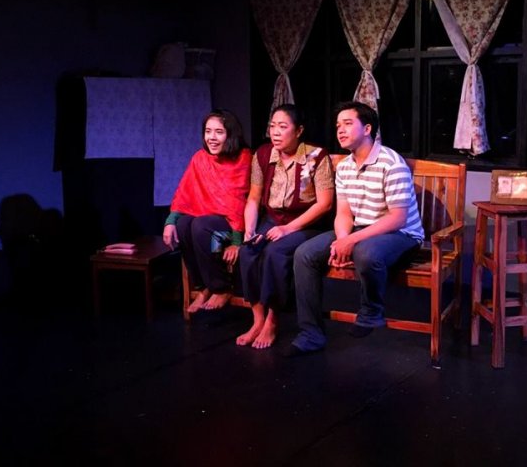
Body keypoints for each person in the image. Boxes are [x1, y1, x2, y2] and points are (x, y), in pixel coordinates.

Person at [284, 101, 424, 356]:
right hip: (361, 229)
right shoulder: (345, 167)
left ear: (367, 129)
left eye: (348, 124)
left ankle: (371, 311)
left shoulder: (391, 163)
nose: (340, 130)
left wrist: (351, 241)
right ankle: (310, 333)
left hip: (401, 235)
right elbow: (344, 213)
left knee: (366, 253)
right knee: (305, 254)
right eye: (338, 125)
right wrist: (342, 239)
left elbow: (398, 218)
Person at [236, 104, 335, 349]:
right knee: (248, 251)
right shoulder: (263, 154)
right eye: (272, 126)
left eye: (283, 126)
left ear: (299, 130)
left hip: (306, 223)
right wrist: (249, 229)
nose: (275, 132)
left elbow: (324, 204)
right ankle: (257, 320)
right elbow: (254, 198)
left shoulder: (317, 156)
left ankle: (272, 320)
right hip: (272, 220)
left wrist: (288, 229)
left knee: (275, 252)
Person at [162, 109, 251, 312]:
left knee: (201, 226)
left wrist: (236, 242)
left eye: (219, 132)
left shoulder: (243, 158)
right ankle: (204, 286)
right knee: (183, 224)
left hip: (233, 230)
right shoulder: (200, 158)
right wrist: (170, 222)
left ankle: (221, 287)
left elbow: (238, 203)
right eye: (208, 131)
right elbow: (184, 193)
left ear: (230, 134)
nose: (211, 137)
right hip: (206, 228)